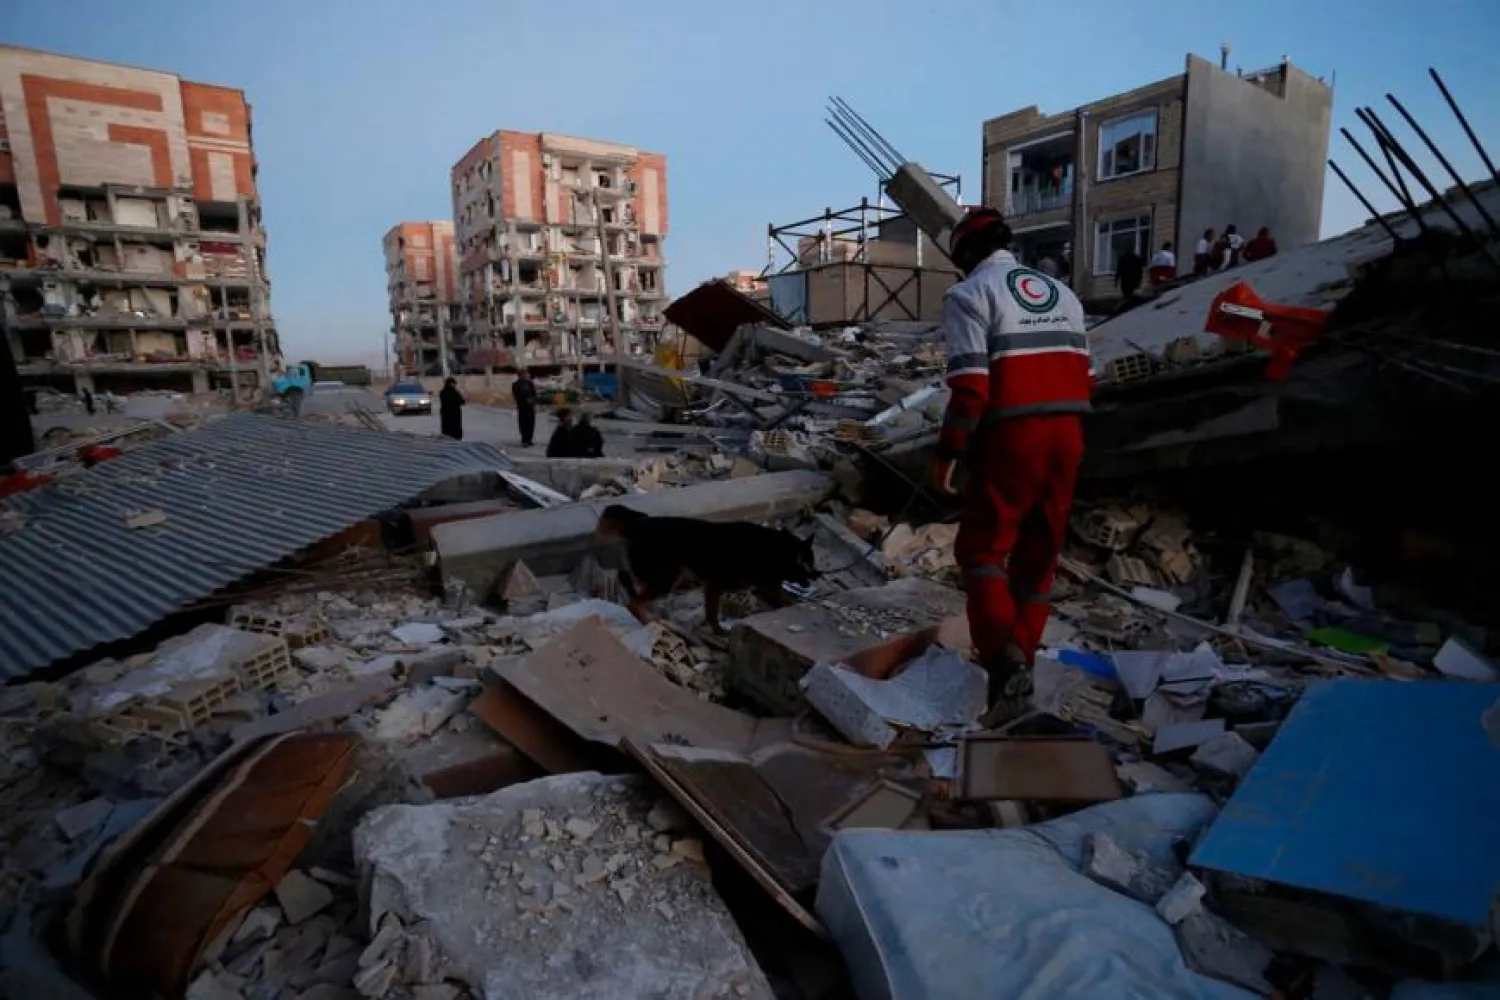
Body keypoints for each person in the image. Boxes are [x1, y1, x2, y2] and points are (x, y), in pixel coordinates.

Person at [930, 207, 1091, 724]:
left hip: (1012, 433)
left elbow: (972, 386)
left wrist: (950, 451)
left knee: (982, 548)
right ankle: (1022, 650)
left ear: (964, 255)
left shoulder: (968, 296)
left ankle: (1001, 661)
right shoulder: (1063, 293)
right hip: (1069, 432)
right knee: (1041, 551)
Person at [512, 368, 538, 447]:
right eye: (524, 374)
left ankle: (529, 440)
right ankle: (524, 440)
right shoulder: (516, 384)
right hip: (522, 407)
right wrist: (525, 400)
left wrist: (533, 400)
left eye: (526, 374)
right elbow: (516, 396)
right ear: (519, 375)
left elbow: (534, 393)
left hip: (530, 407)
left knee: (531, 423)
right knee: (523, 424)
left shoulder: (530, 383)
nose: (526, 375)